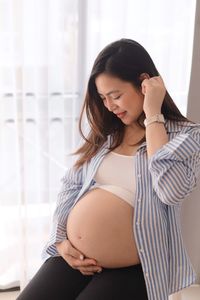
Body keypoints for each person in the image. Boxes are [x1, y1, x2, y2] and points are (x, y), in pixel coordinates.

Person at [17, 38, 200, 300]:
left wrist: (153, 116)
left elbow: (170, 191)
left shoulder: (187, 135)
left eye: (115, 95)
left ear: (144, 83)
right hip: (77, 260)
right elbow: (70, 186)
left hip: (136, 267)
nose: (109, 106)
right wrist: (61, 242)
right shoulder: (107, 133)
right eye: (103, 98)